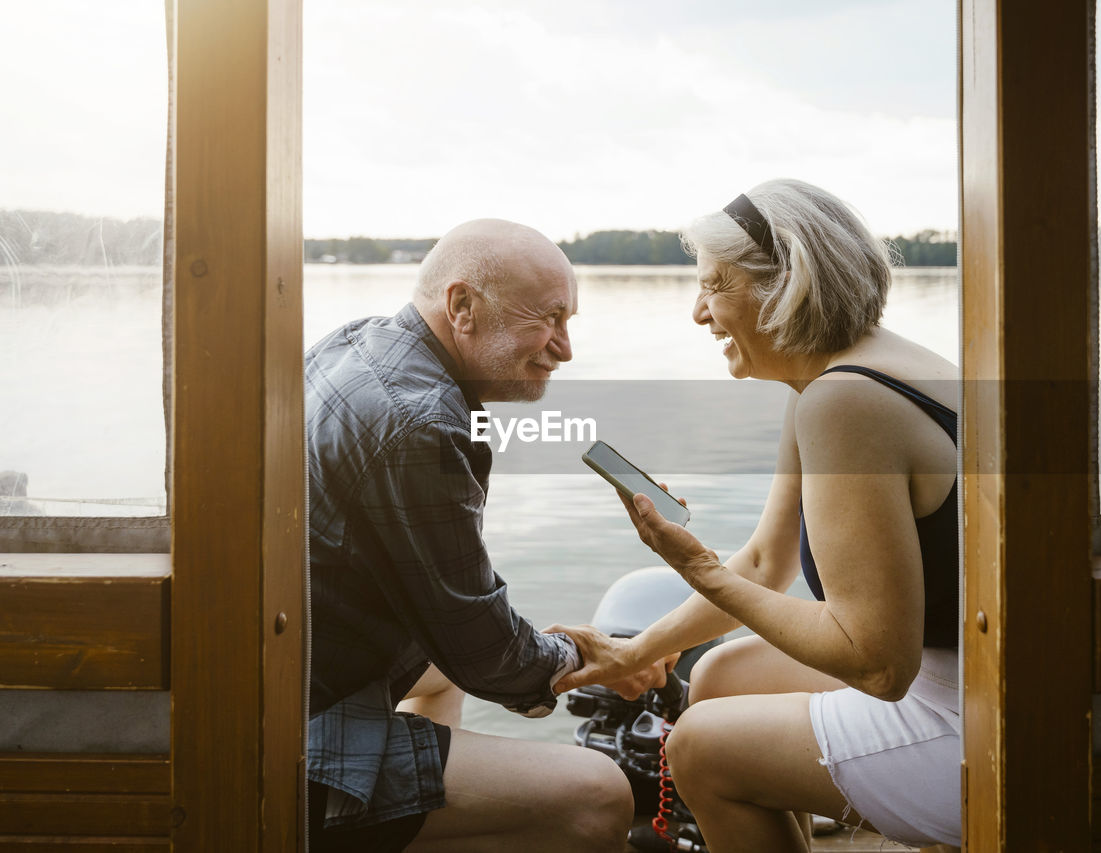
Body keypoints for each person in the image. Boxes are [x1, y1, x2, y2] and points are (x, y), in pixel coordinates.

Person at [553, 180, 962, 851]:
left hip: (977, 721)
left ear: (786, 286)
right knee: (718, 675)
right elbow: (765, 564)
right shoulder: (857, 374)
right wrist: (637, 649)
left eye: (714, 284)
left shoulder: (845, 403)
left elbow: (879, 664)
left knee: (701, 749)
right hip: (976, 676)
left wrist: (702, 572)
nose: (698, 312)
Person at [304, 219, 643, 852]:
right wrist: (583, 657)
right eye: (546, 319)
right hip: (297, 732)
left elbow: (463, 631)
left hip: (288, 665)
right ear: (462, 306)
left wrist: (565, 653)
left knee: (444, 672)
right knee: (598, 794)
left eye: (568, 321)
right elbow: (487, 652)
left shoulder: (357, 342)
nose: (564, 347)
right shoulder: (419, 423)